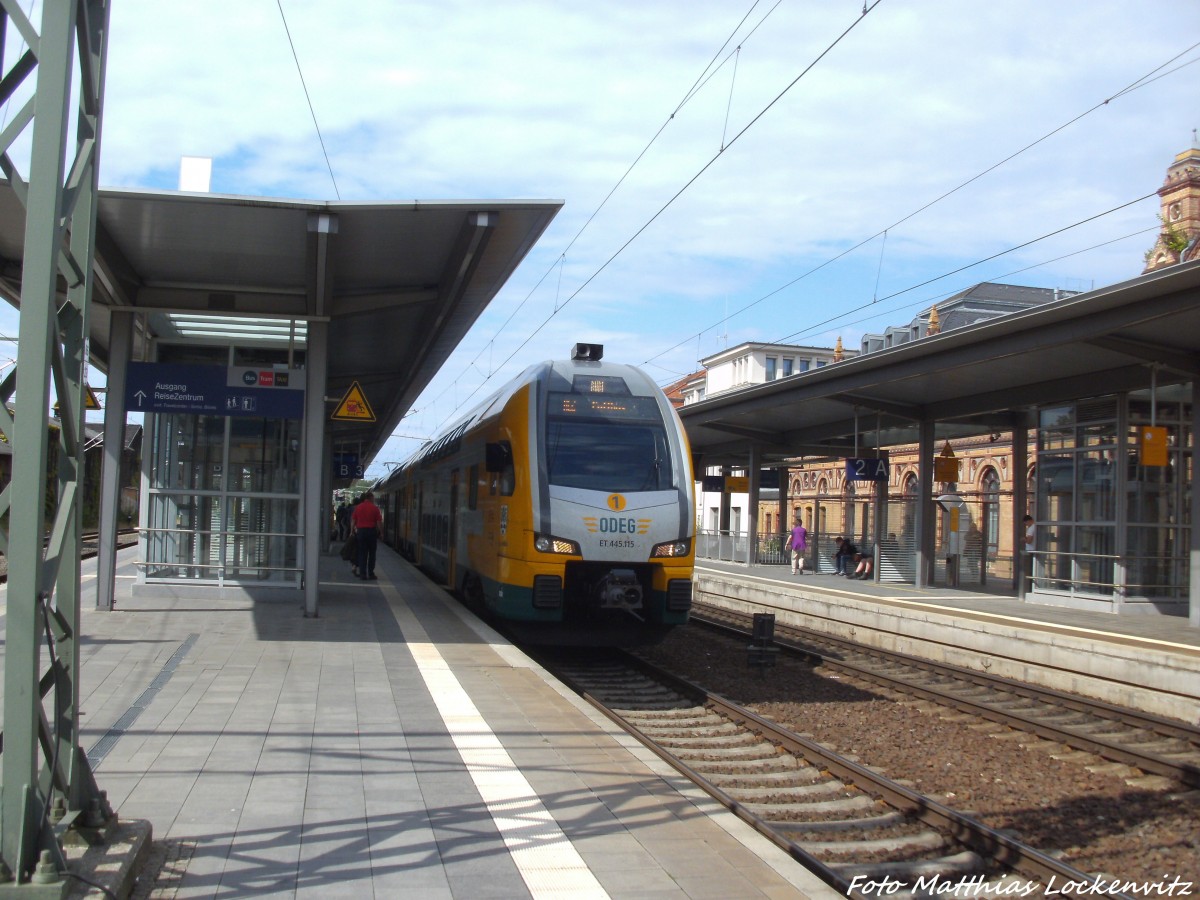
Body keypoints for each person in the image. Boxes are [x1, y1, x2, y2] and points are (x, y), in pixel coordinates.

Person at [351, 491, 384, 580]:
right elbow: (379, 522)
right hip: (371, 532)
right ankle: (371, 573)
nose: (374, 499)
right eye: (373, 498)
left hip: (361, 532)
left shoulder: (358, 507)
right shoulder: (375, 508)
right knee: (372, 554)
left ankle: (363, 574)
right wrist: (381, 533)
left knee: (362, 553)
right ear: (371, 498)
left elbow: (353, 520)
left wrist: (351, 531)